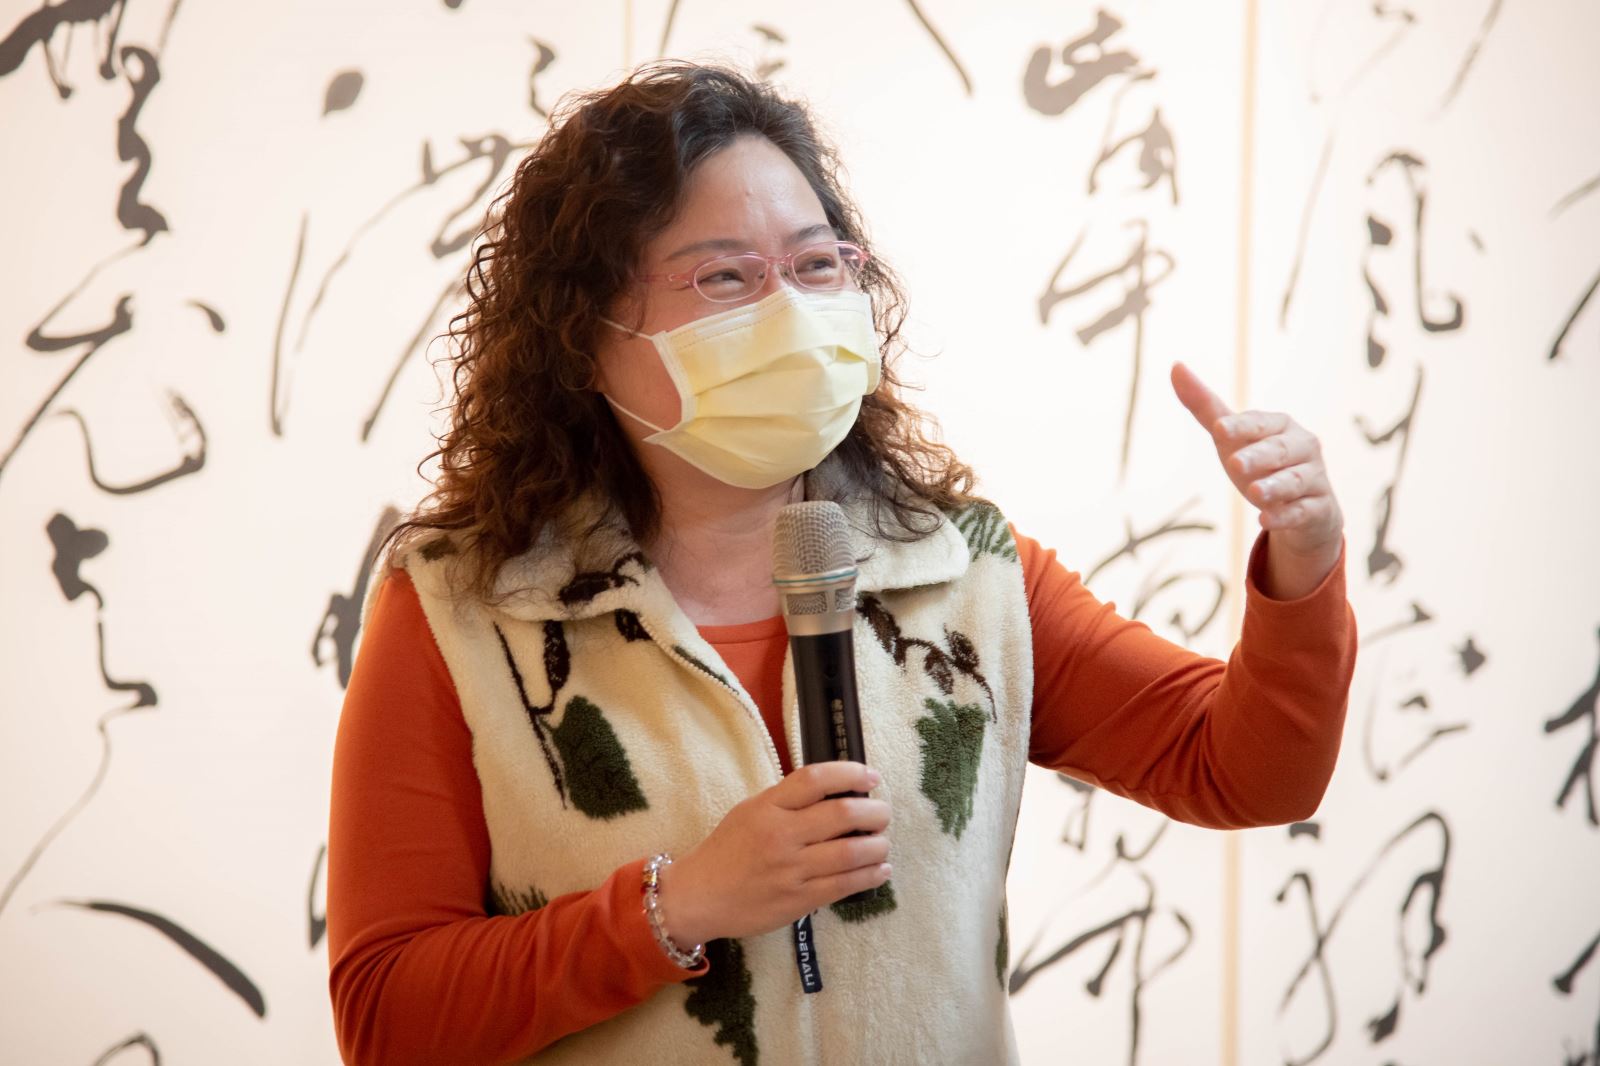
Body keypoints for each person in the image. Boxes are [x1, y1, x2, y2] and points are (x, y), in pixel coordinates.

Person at [326, 61, 1357, 1066]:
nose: (788, 311)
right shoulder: (464, 609)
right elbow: (386, 1018)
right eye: (725, 276)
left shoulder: (963, 571)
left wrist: (1303, 562)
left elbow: (1248, 771)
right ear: (584, 337)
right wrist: (676, 905)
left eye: (817, 265)